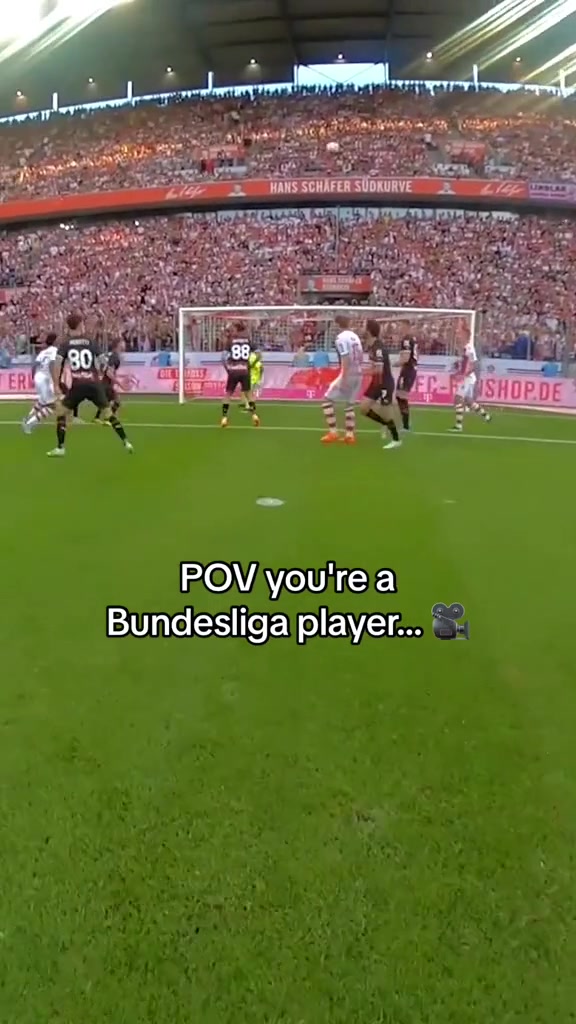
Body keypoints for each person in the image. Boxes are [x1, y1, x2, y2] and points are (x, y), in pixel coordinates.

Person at [47, 313, 133, 457]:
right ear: (80, 325)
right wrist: (119, 382)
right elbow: (104, 366)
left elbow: (57, 364)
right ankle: (126, 441)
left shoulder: (65, 344)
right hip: (94, 384)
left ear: (68, 327)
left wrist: (56, 384)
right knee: (108, 414)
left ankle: (60, 447)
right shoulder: (91, 342)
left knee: (61, 413)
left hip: (78, 386)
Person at [359, 319, 402, 450]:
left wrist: (360, 372)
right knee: (363, 408)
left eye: (363, 326)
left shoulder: (378, 348)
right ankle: (386, 424)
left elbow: (379, 370)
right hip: (376, 382)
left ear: (369, 331)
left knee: (387, 414)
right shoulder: (372, 346)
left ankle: (396, 439)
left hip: (384, 383)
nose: (361, 328)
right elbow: (374, 367)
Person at [321, 313, 363, 444]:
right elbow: (360, 355)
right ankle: (350, 435)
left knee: (327, 401)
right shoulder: (355, 337)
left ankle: (333, 432)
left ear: (337, 325)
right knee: (350, 404)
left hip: (348, 373)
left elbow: (345, 357)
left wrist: (344, 377)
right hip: (358, 372)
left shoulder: (340, 338)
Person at [221, 321, 260, 427]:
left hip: (233, 370)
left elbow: (223, 358)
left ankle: (224, 418)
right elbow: (259, 354)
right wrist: (251, 365)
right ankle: (254, 415)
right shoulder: (248, 341)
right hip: (244, 370)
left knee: (228, 394)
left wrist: (227, 369)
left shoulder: (230, 341)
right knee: (249, 394)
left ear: (236, 330)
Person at [449, 338, 492, 433]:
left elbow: (472, 366)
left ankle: (458, 426)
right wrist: (457, 373)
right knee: (468, 401)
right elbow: (465, 366)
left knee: (458, 398)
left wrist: (462, 375)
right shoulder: (465, 351)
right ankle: (486, 416)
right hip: (468, 378)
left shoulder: (468, 350)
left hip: (468, 378)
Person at [22, 332, 59, 434]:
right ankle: (30, 424)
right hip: (46, 379)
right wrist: (54, 380)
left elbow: (34, 365)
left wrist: (33, 377)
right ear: (55, 341)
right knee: (52, 405)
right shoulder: (55, 351)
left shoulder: (43, 352)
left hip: (39, 376)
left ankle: (27, 418)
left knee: (42, 401)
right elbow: (52, 364)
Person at [94, 338, 124, 423]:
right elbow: (109, 372)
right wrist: (119, 383)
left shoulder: (108, 355)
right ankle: (109, 419)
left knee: (105, 401)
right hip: (107, 383)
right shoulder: (115, 356)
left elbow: (101, 367)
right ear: (118, 345)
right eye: (122, 343)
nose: (124, 345)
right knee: (117, 401)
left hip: (103, 382)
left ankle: (96, 418)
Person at [396, 332, 418, 432]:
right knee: (400, 395)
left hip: (408, 370)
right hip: (410, 369)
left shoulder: (406, 339)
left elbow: (405, 358)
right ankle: (406, 423)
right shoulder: (413, 338)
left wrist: (393, 364)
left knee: (401, 396)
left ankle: (406, 425)